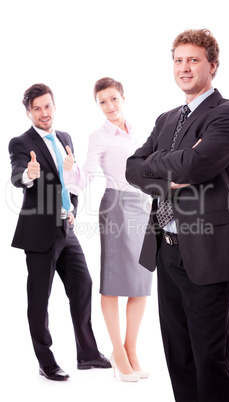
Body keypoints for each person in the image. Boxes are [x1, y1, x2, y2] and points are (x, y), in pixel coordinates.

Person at [125, 29, 229, 401]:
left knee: (209, 359)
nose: (184, 68)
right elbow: (132, 167)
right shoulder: (167, 118)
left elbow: (195, 166)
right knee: (178, 355)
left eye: (193, 60)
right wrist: (170, 175)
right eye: (178, 60)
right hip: (165, 250)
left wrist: (162, 167)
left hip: (207, 250)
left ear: (212, 66)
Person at [8, 83, 111, 381]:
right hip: (39, 231)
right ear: (28, 112)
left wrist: (73, 209)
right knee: (40, 300)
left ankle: (88, 354)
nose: (44, 113)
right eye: (37, 108)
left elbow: (72, 180)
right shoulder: (20, 142)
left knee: (83, 285)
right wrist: (29, 174)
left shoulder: (65, 138)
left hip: (66, 228)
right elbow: (17, 174)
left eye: (47, 106)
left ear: (55, 106)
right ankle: (46, 362)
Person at [63, 77, 152, 382]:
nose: (109, 107)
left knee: (142, 282)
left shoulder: (140, 130)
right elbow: (85, 175)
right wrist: (70, 170)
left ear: (123, 98)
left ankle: (130, 348)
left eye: (113, 99)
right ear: (98, 105)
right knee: (113, 281)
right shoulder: (98, 136)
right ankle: (117, 349)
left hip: (143, 205)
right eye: (102, 102)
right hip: (115, 206)